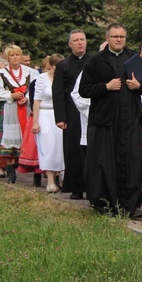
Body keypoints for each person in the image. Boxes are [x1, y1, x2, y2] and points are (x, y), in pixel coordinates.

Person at [79, 23, 142, 218]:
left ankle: (130, 204)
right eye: (115, 36)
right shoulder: (96, 61)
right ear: (108, 38)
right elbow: (84, 90)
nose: (119, 39)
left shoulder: (135, 59)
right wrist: (106, 86)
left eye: (122, 36)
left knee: (132, 162)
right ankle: (104, 203)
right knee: (105, 163)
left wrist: (138, 85)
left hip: (130, 120)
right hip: (105, 121)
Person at [53, 29, 89, 200]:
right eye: (76, 40)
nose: (80, 43)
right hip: (72, 112)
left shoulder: (94, 61)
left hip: (90, 112)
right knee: (73, 149)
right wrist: (61, 117)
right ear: (70, 44)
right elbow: (58, 92)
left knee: (90, 149)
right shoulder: (63, 65)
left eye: (82, 39)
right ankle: (76, 187)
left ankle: (91, 185)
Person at [0, 45, 33, 184]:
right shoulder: (2, 73)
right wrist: (11, 95)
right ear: (7, 58)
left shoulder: (29, 72)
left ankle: (22, 166)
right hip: (9, 110)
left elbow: (34, 89)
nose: (15, 58)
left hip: (24, 108)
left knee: (24, 139)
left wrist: (27, 97)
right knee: (10, 141)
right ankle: (10, 171)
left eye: (17, 55)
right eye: (12, 55)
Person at [32, 54, 65, 193]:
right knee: (49, 147)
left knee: (61, 147)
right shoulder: (42, 78)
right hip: (46, 114)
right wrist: (35, 121)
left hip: (61, 115)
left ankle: (62, 177)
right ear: (51, 66)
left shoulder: (64, 79)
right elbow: (37, 100)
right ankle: (50, 181)